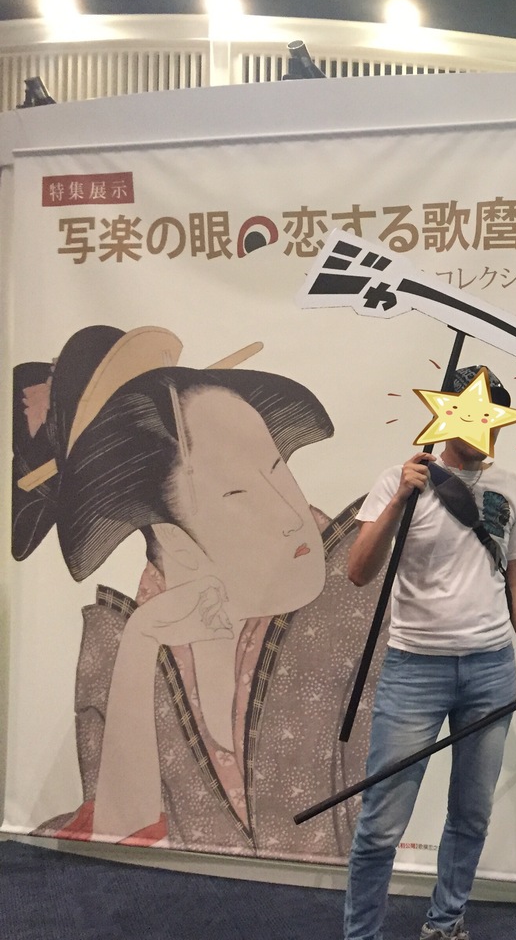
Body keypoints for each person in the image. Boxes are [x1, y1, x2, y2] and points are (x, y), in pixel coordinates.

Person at [13, 323, 385, 859]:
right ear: (168, 533)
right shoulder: (121, 641)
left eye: (277, 467)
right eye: (237, 491)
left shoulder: (361, 592)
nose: (291, 513)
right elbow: (119, 840)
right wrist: (141, 645)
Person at [342, 365, 516, 940]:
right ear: (443, 415)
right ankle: (361, 935)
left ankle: (445, 922)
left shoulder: (512, 489)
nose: (484, 432)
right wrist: (399, 499)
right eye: (472, 416)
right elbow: (358, 571)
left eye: (493, 421)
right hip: (414, 670)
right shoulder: (400, 479)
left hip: (490, 669)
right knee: (381, 823)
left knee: (471, 815)